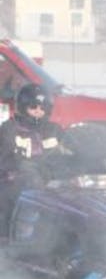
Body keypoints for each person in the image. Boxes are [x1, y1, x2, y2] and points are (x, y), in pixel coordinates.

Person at [0, 84, 62, 222]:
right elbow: (4, 159)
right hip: (16, 185)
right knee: (29, 181)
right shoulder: (9, 129)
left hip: (49, 182)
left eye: (43, 108)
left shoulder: (53, 130)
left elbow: (66, 154)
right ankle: (22, 234)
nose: (38, 111)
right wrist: (23, 167)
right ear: (23, 107)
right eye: (33, 107)